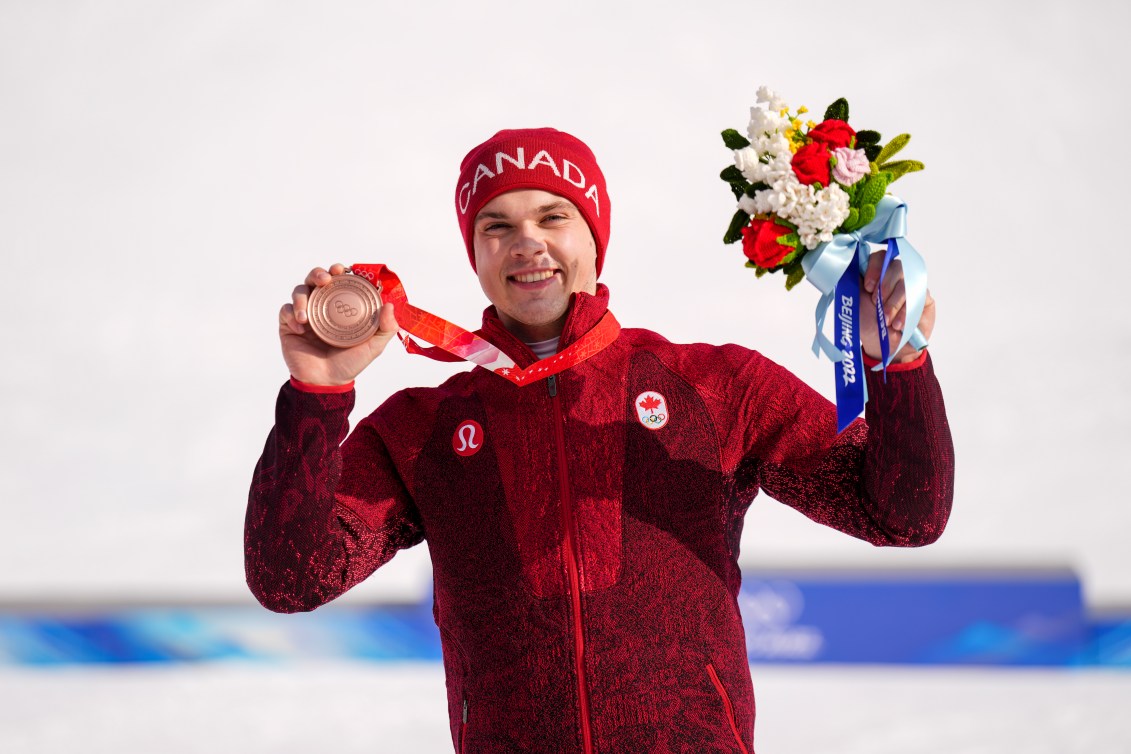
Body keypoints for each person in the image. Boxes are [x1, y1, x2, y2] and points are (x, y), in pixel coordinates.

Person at [245, 128, 954, 753]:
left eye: (553, 216)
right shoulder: (421, 428)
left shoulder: (714, 385)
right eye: (496, 226)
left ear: (593, 236)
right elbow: (291, 578)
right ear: (474, 252)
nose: (526, 241)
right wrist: (316, 396)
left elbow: (901, 515)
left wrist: (896, 363)